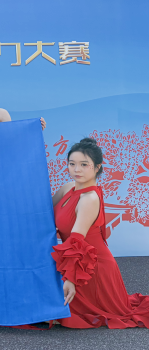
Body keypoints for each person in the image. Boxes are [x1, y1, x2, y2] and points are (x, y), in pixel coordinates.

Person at [51, 138, 149, 328]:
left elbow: (77, 241)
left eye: (84, 165)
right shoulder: (67, 188)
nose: (77, 169)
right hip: (73, 262)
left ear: (97, 167)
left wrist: (70, 280)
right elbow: (42, 213)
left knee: (56, 313)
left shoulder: (89, 198)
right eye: (72, 164)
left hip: (91, 269)